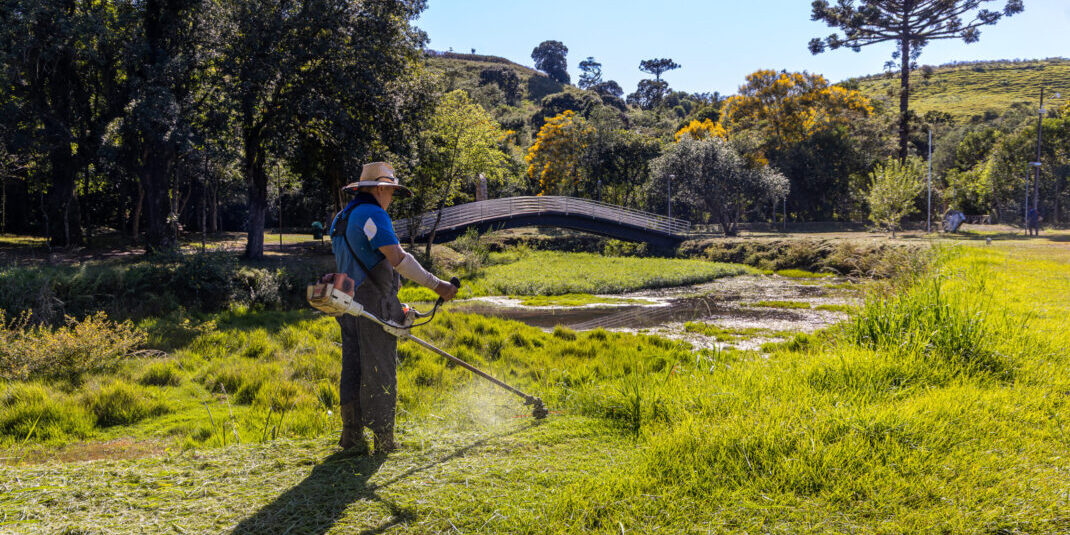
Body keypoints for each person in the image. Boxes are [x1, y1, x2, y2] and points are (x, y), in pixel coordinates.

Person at [329, 162, 457, 453]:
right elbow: (398, 258)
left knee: (353, 368)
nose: (391, 199)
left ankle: (351, 440)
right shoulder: (374, 213)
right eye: (390, 192)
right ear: (379, 188)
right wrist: (438, 285)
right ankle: (384, 441)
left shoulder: (341, 217)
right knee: (380, 369)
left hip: (345, 301)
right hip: (373, 302)